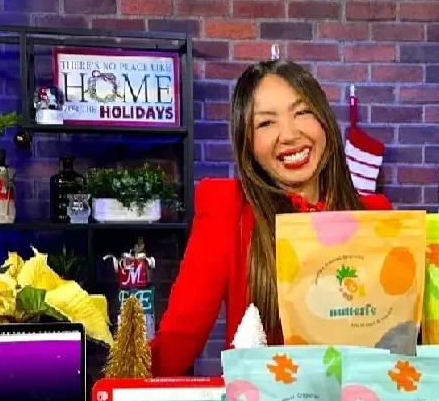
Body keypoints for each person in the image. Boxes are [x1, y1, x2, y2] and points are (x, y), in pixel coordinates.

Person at [152, 60, 392, 377]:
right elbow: (178, 341)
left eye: (302, 112)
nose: (289, 135)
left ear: (324, 123)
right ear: (247, 144)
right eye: (266, 124)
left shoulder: (376, 215)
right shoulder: (228, 208)